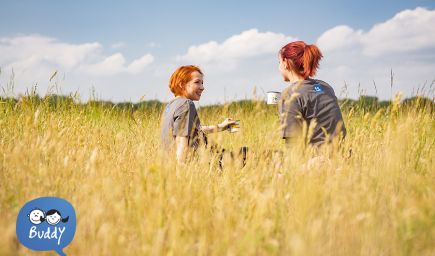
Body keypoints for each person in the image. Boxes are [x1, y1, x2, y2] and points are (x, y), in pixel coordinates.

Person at [160, 65, 237, 163]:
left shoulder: (171, 105)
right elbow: (181, 140)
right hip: (200, 165)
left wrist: (221, 127)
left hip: (170, 162)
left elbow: (192, 130)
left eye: (202, 83)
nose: (202, 87)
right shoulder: (186, 104)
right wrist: (180, 173)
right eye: (197, 82)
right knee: (248, 154)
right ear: (181, 84)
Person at [278, 41, 346, 146]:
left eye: (279, 62)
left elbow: (293, 147)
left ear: (285, 63)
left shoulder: (289, 95)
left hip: (313, 160)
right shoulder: (326, 87)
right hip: (341, 155)